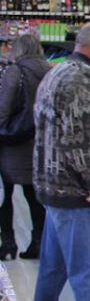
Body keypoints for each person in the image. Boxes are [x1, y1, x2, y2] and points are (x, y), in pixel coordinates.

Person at [31, 22, 90, 301]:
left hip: (52, 186)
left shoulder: (59, 71)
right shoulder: (81, 80)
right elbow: (79, 140)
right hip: (74, 191)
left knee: (53, 266)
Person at [0, 34, 50, 260]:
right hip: (38, 143)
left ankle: (8, 244)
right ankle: (38, 242)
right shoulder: (50, 71)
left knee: (5, 194)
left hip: (12, 144)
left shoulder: (15, 72)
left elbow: (3, 108)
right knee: (33, 195)